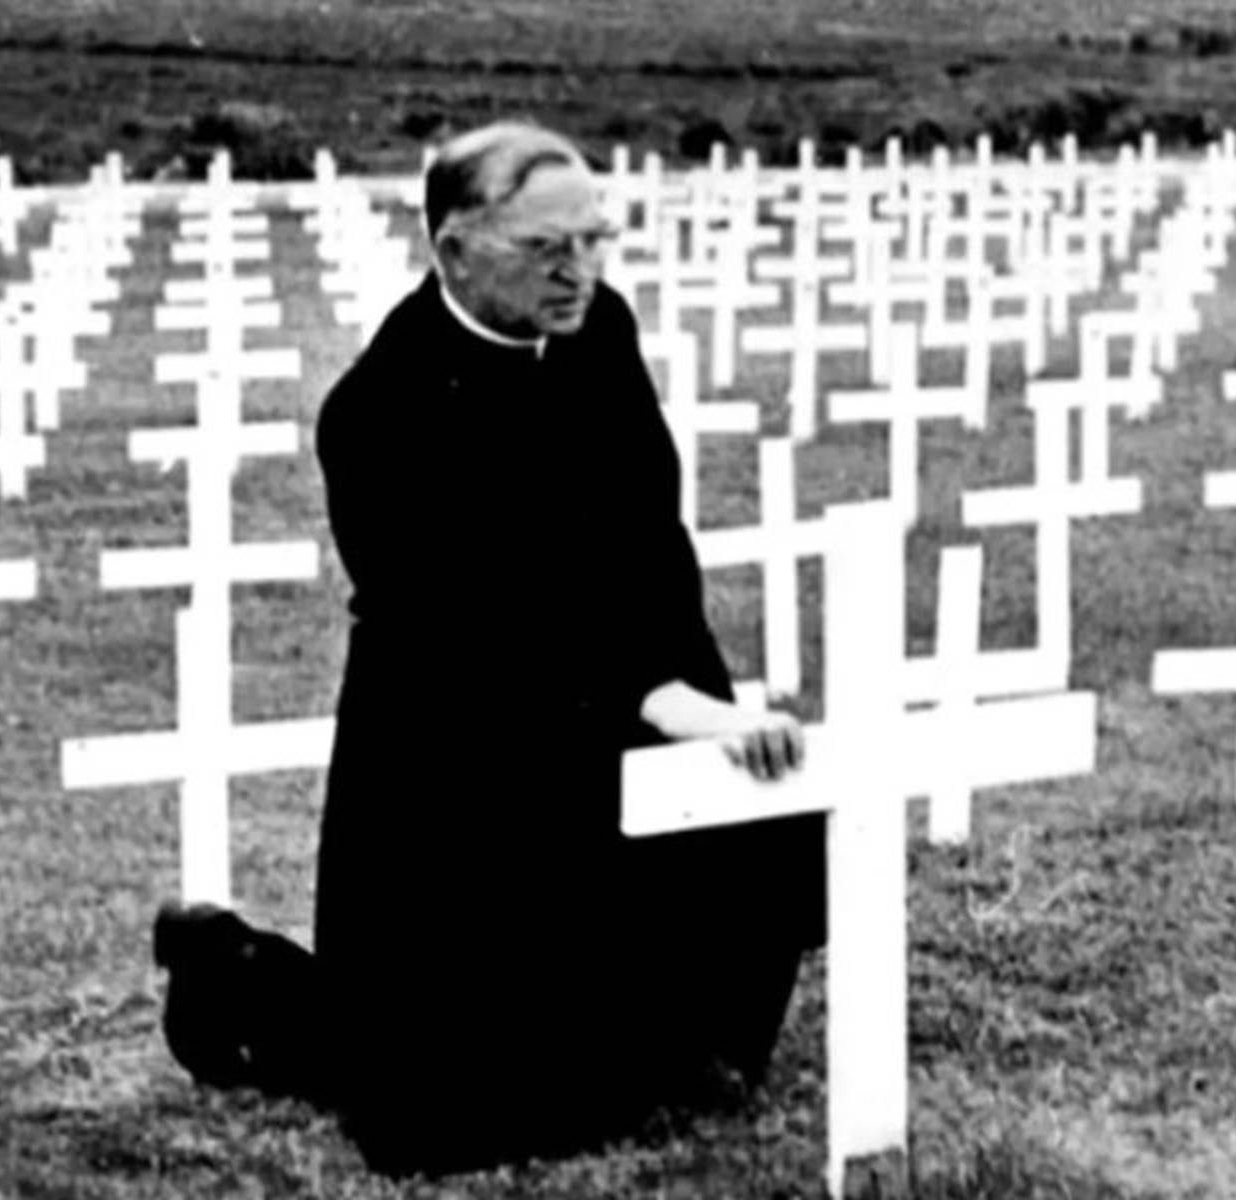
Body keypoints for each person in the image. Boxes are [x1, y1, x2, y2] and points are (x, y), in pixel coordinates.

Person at [153, 120, 826, 1177]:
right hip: (455, 759)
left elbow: (650, 538)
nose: (581, 270)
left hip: (614, 709)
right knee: (438, 1108)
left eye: (595, 240)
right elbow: (471, 622)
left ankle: (671, 1044)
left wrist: (698, 703)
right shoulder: (378, 413)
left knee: (745, 852)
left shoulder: (600, 331)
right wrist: (659, 701)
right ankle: (228, 976)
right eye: (546, 248)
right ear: (454, 248)